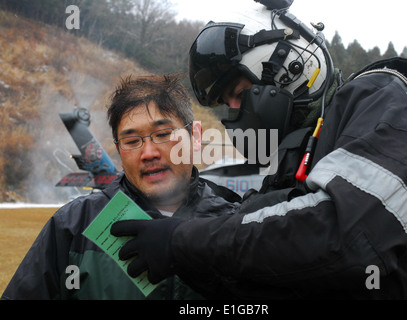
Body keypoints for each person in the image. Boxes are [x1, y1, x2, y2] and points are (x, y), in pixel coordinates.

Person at [111, 1, 407, 299]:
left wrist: (181, 242)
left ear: (288, 67)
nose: (236, 111)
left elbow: (346, 237)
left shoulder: (386, 101)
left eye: (238, 94)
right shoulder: (300, 156)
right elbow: (270, 264)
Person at [1, 74, 240, 300]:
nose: (148, 153)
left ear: (195, 137)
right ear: (118, 150)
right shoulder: (72, 226)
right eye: (132, 141)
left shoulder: (239, 224)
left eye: (163, 134)